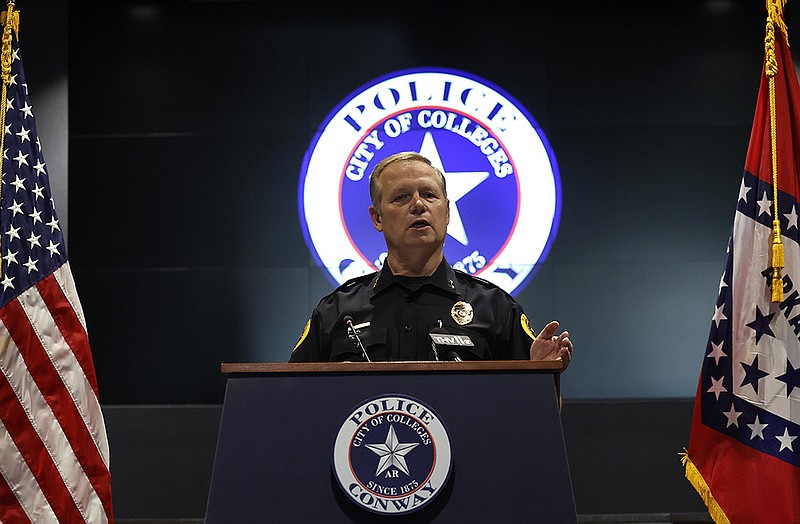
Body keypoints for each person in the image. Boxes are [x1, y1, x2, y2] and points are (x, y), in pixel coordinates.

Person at [289, 151, 573, 369]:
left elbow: (537, 419)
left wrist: (542, 374)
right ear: (377, 217)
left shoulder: (495, 309)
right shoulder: (335, 312)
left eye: (429, 195)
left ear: (447, 212)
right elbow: (291, 401)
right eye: (401, 197)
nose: (418, 205)